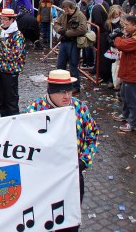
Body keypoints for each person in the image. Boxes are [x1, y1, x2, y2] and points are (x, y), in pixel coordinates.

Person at [26, 69, 99, 209]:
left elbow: (92, 135)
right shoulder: (34, 111)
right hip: (45, 179)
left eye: (69, 91)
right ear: (50, 90)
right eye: (60, 92)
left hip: (73, 175)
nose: (66, 96)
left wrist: (83, 161)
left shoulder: (80, 108)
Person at [113, 15, 136, 132]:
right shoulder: (132, 36)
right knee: (124, 96)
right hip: (127, 71)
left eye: (127, 25)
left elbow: (122, 45)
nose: (125, 27)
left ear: (135, 26)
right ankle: (126, 115)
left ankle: (133, 123)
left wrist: (117, 38)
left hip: (133, 72)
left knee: (133, 100)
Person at [54, 0, 87, 92]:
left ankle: (75, 86)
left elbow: (83, 29)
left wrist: (68, 33)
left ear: (72, 8)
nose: (66, 11)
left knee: (73, 65)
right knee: (60, 64)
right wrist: (59, 29)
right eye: (65, 9)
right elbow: (56, 23)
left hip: (74, 42)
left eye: (67, 9)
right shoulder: (64, 15)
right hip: (64, 42)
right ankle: (61, 83)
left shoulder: (80, 16)